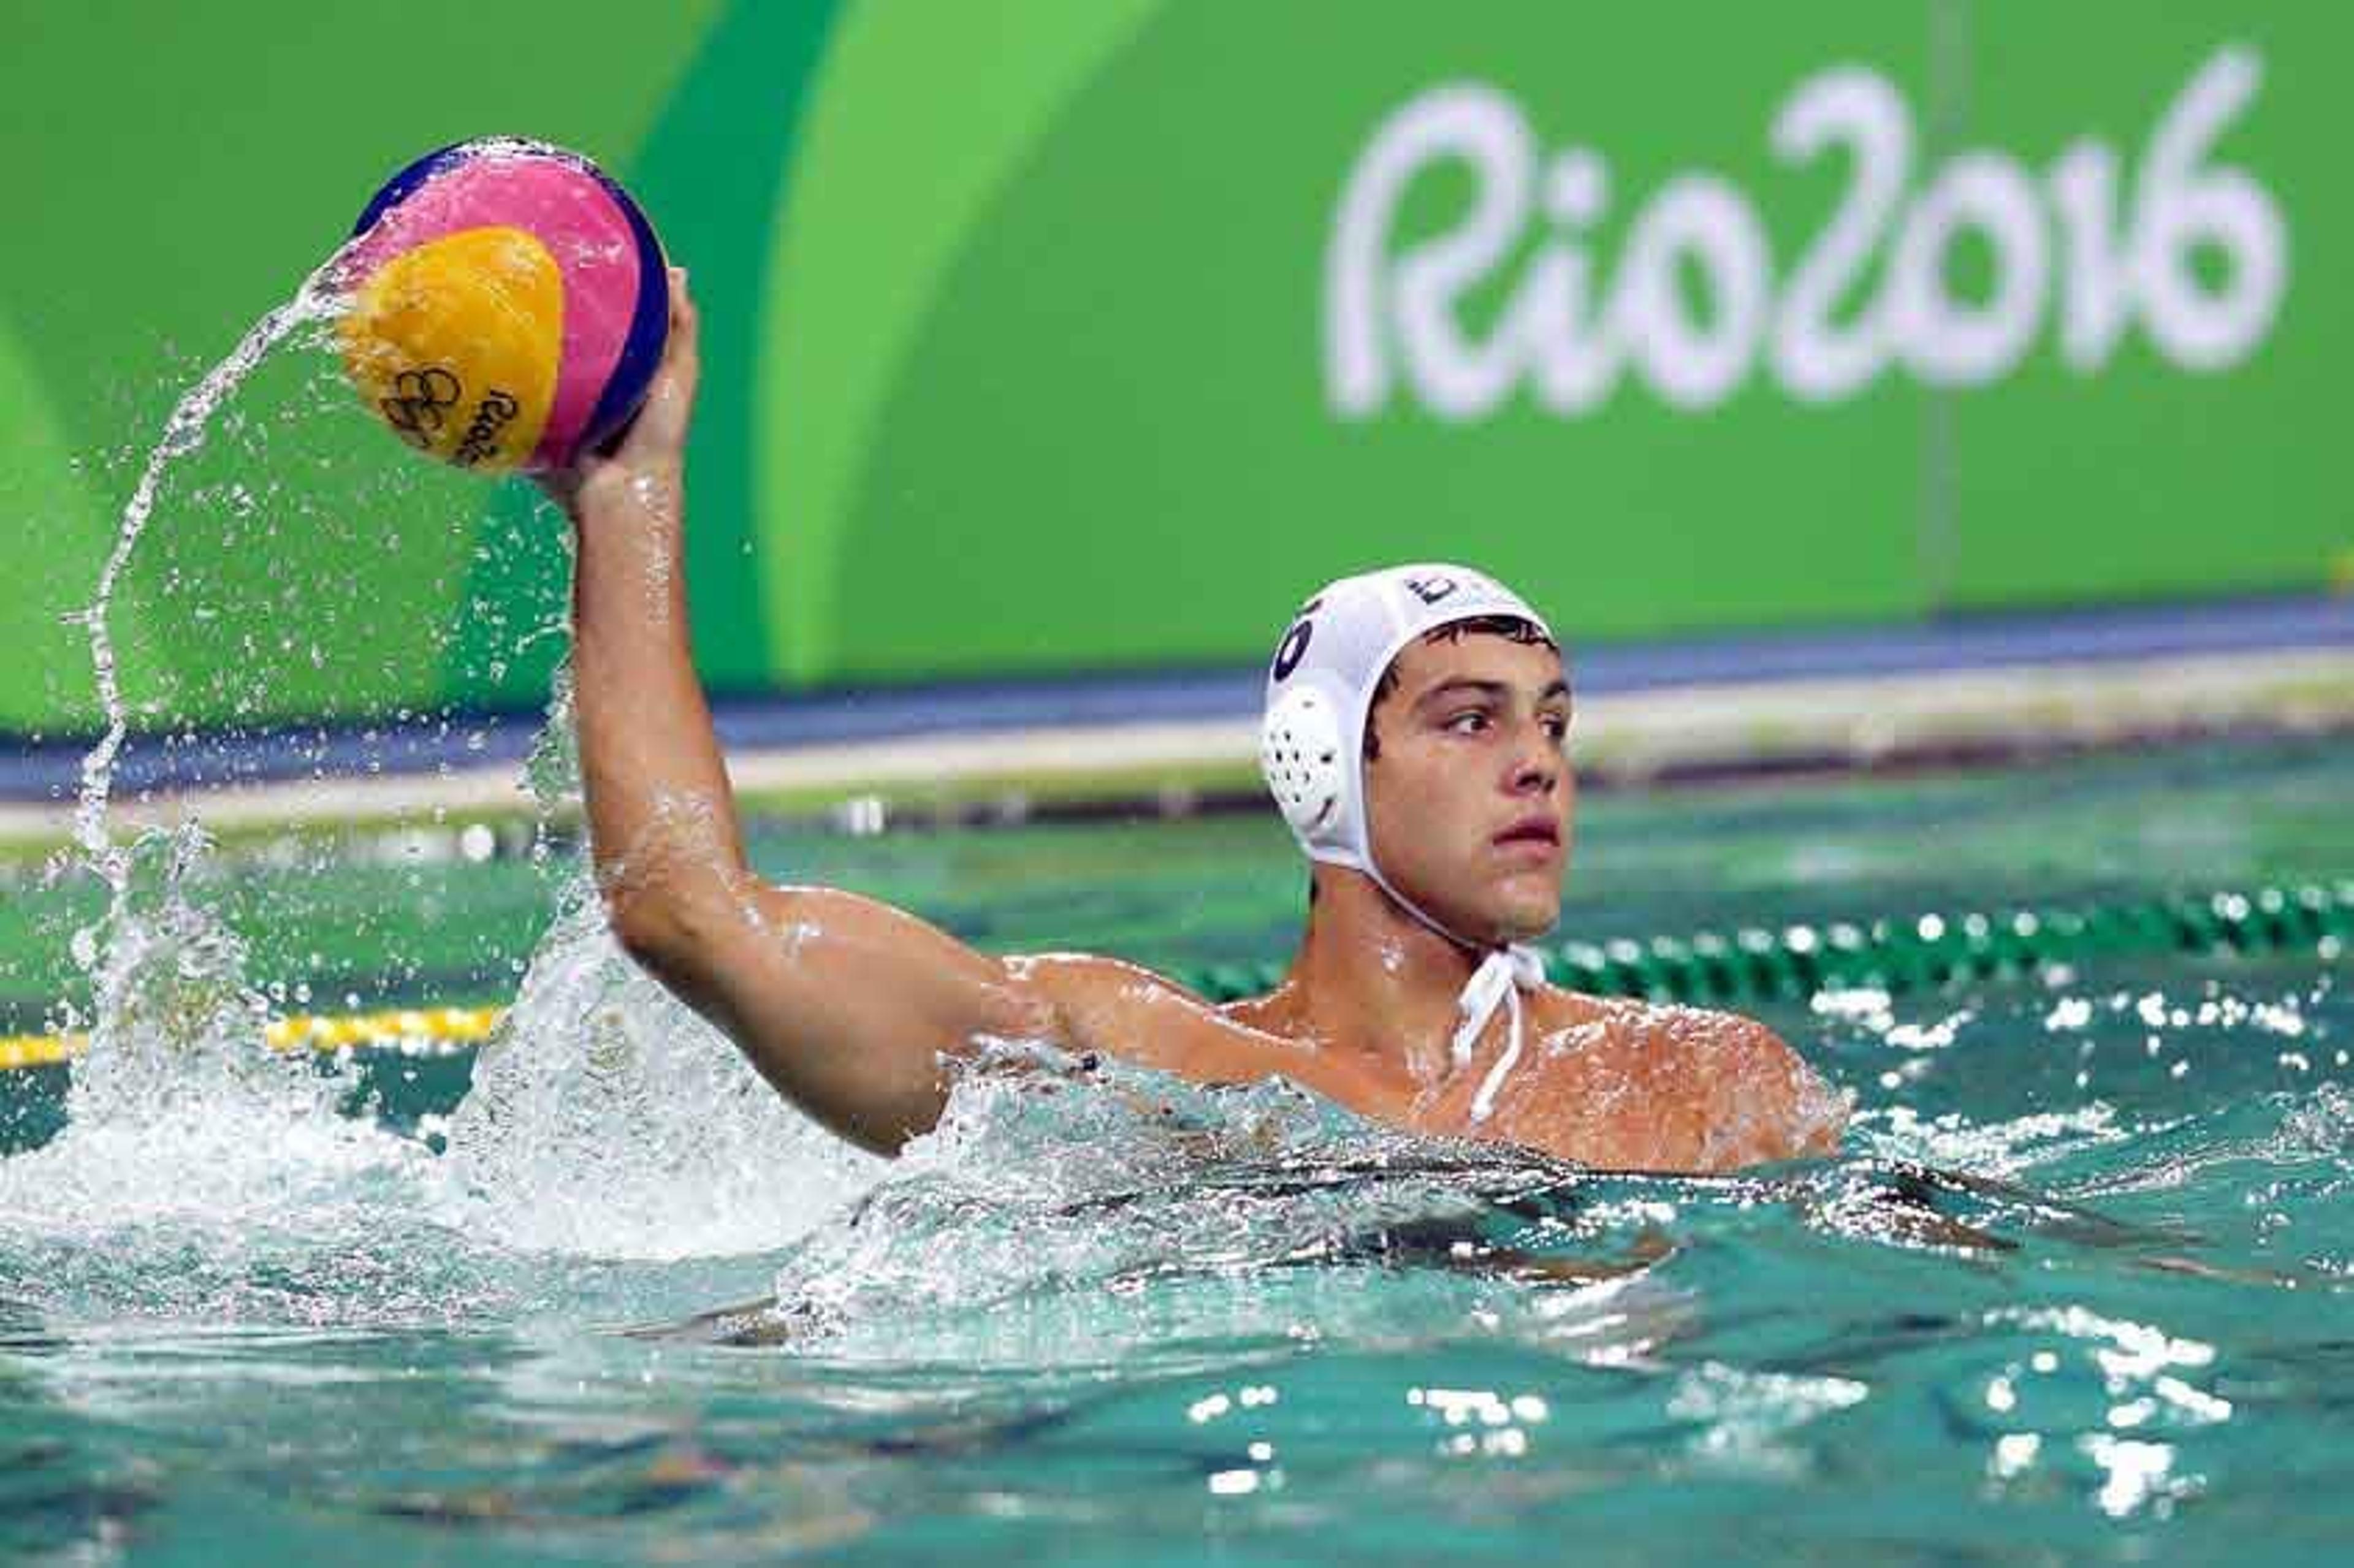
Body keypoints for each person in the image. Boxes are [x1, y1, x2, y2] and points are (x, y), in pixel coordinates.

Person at [539, 270, 1847, 1172]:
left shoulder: (1698, 1081)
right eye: (1468, 721)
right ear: (1324, 766)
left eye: (1553, 725)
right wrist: (631, 488)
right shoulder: (1143, 1063)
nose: (1536, 768)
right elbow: (691, 915)